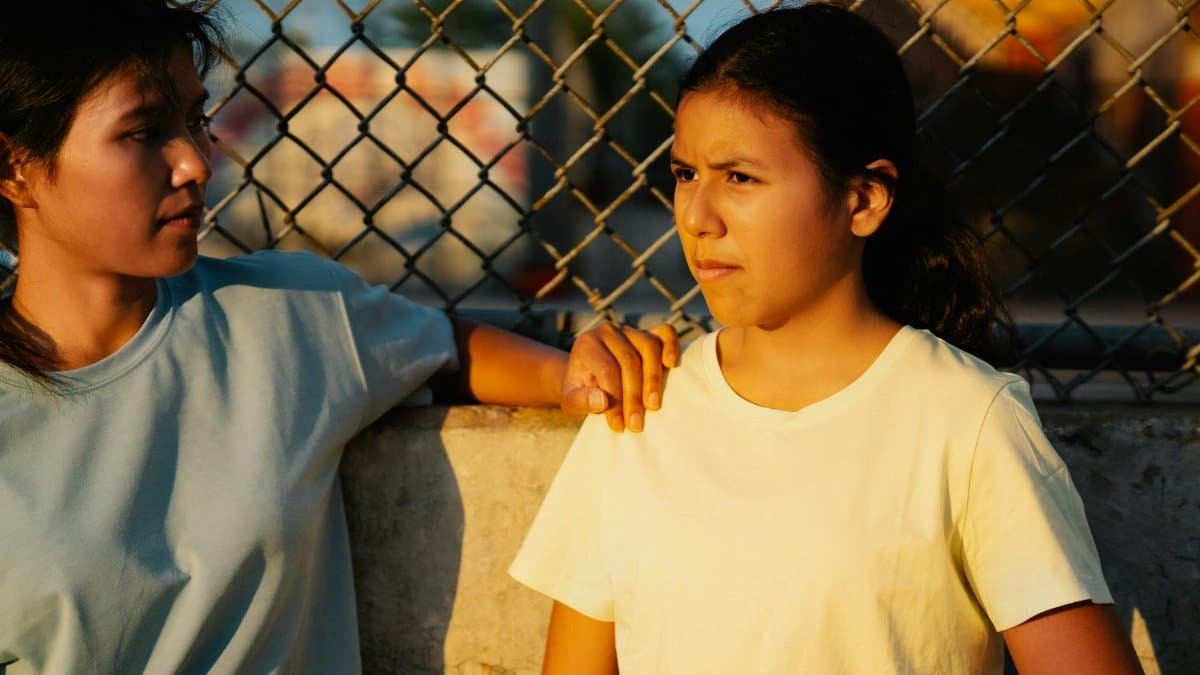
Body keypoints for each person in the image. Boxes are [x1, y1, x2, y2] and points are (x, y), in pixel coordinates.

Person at [0, 2, 679, 673]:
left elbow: (447, 346)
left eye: (196, 119)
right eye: (146, 132)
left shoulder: (288, 313)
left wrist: (572, 374)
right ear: (14, 168)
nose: (198, 163)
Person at [510, 4, 1144, 674]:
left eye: (740, 177)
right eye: (685, 174)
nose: (697, 217)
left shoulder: (967, 420)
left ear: (865, 200)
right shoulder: (639, 412)